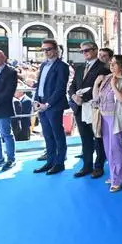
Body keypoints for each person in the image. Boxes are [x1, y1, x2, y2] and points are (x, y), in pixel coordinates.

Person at [69, 42, 109, 179]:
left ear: (95, 50)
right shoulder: (79, 68)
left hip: (95, 108)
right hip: (80, 109)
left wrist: (84, 97)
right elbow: (72, 86)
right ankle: (87, 166)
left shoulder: (104, 68)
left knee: (98, 138)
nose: (84, 53)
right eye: (82, 51)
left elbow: (104, 88)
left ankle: (99, 167)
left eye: (87, 50)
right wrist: (74, 96)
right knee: (85, 139)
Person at [94, 54, 122, 192]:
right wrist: (96, 83)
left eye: (114, 63)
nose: (111, 65)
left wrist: (113, 85)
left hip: (116, 118)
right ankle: (114, 174)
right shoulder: (108, 77)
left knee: (115, 148)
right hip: (104, 116)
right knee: (107, 148)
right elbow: (98, 95)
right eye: (111, 62)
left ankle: (118, 179)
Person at [32, 39, 70, 175]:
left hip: (53, 106)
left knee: (57, 134)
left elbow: (60, 88)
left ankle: (59, 163)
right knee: (47, 135)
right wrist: (36, 100)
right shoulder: (43, 65)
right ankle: (50, 162)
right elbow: (39, 85)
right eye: (43, 50)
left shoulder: (62, 66)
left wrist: (47, 104)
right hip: (41, 105)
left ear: (56, 50)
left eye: (48, 49)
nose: (46, 52)